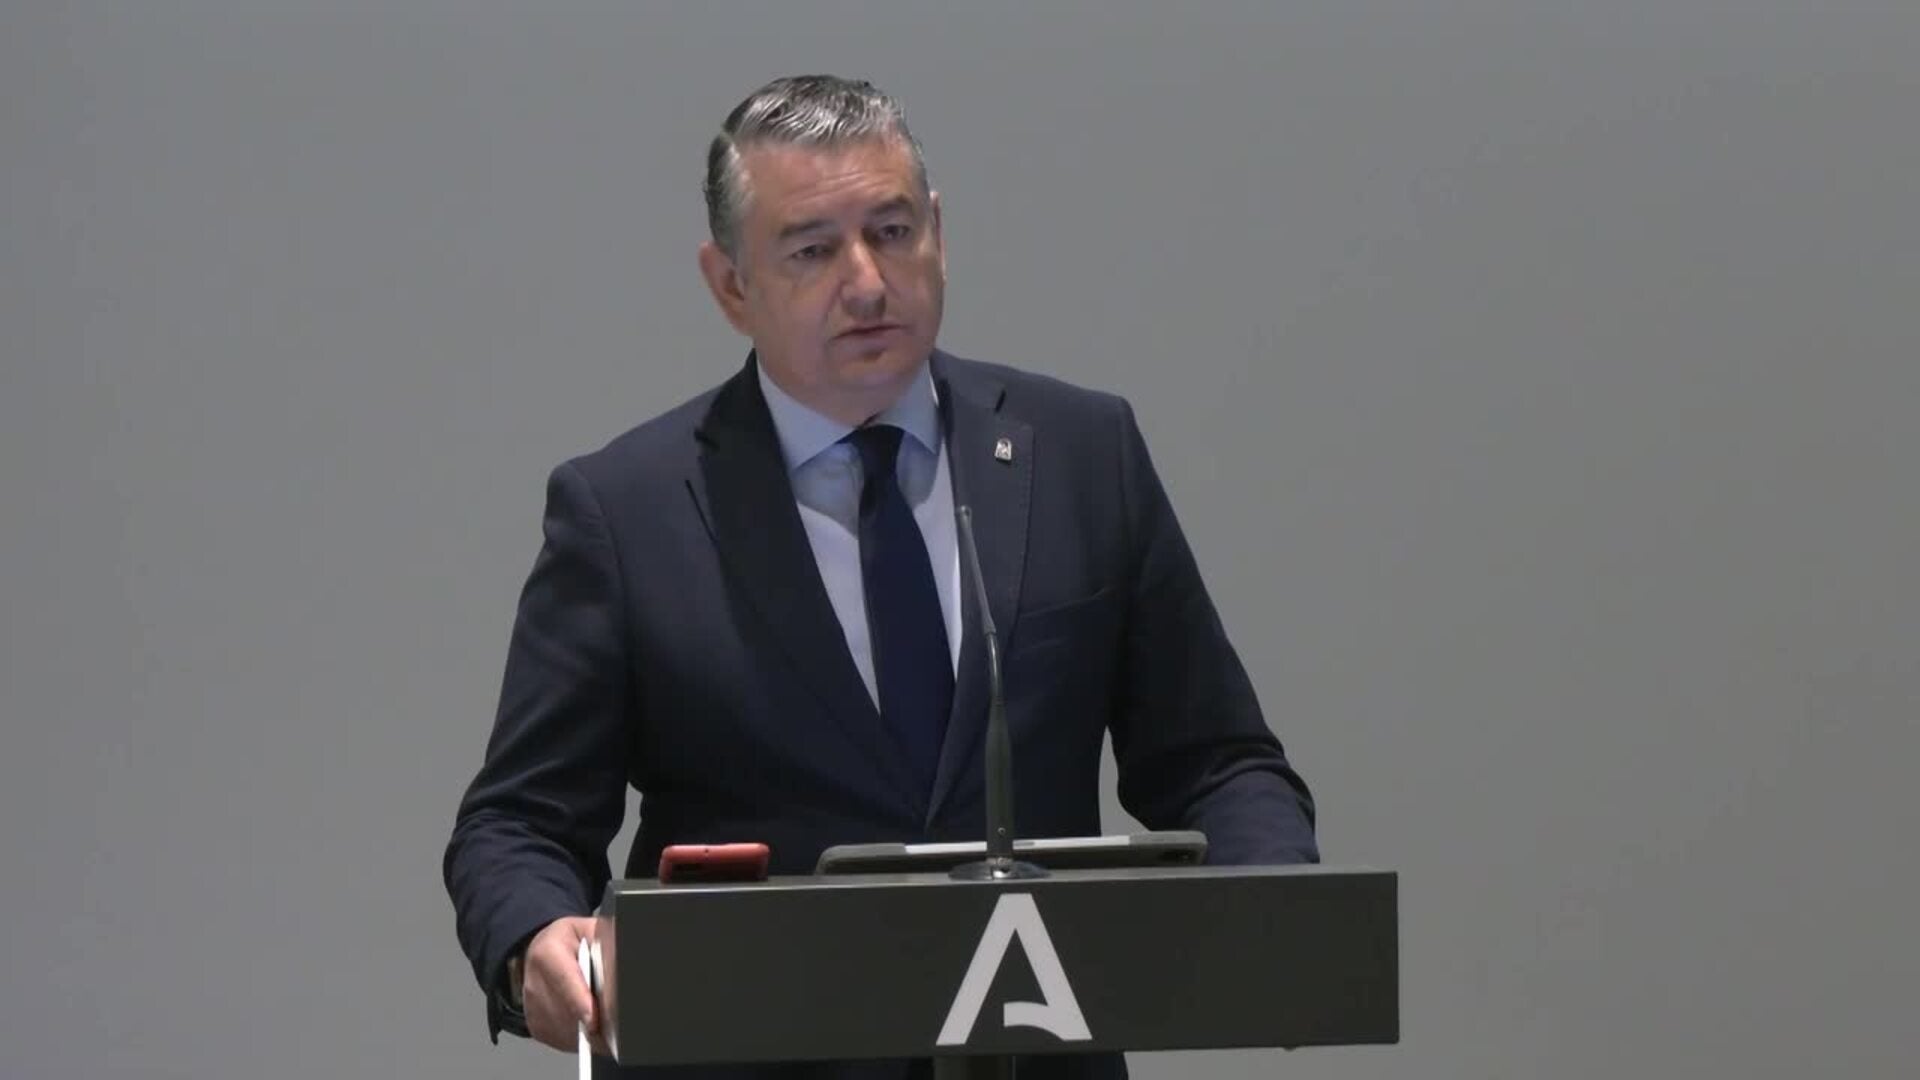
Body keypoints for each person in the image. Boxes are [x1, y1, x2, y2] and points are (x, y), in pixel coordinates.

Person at [443, 75, 1318, 1079]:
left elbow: (1218, 763)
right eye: (812, 250)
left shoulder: (1081, 454)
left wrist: (1276, 908)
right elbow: (519, 823)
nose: (867, 282)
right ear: (731, 285)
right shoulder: (628, 512)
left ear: (938, 232)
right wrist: (535, 941)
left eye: (893, 233)